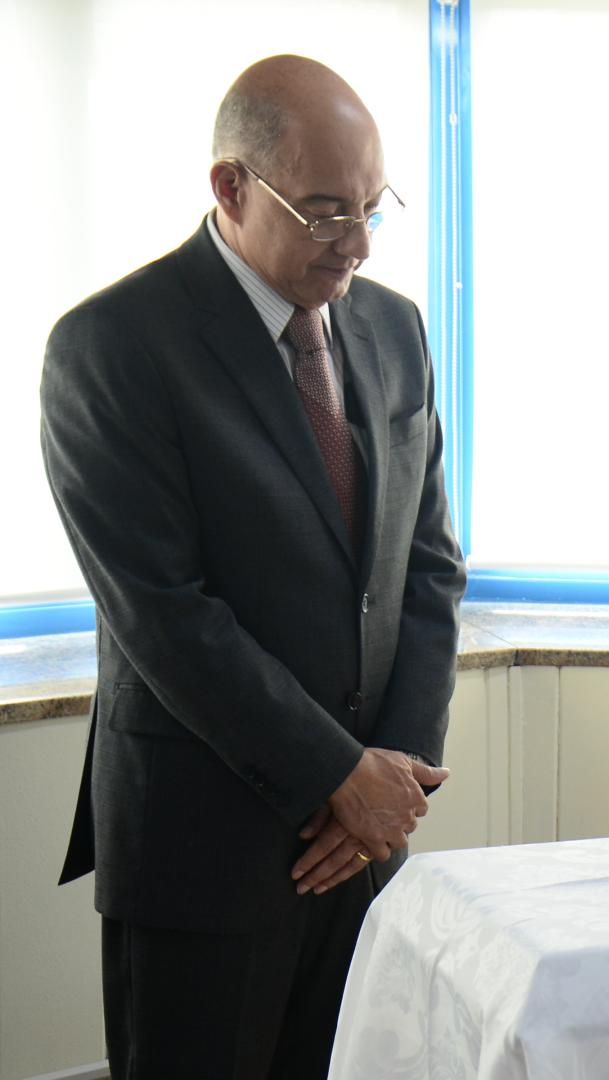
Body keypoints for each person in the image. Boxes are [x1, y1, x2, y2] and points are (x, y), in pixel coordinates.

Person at [40, 55, 466, 1077]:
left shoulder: (395, 327)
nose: (357, 244)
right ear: (231, 186)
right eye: (326, 211)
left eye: (373, 207)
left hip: (363, 848)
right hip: (204, 852)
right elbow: (166, 616)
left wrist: (387, 787)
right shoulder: (112, 347)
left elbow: (428, 570)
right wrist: (337, 776)